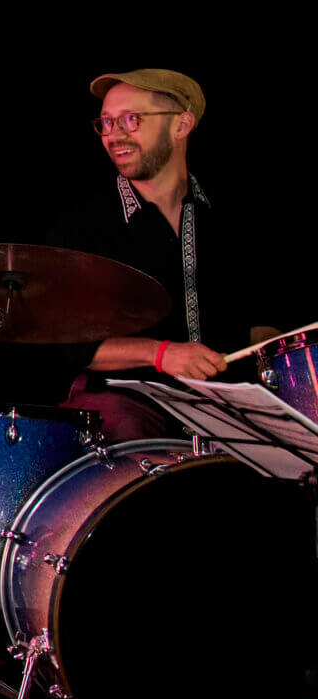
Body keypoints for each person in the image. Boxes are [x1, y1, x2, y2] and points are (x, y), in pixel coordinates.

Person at [42, 69, 274, 440]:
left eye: (130, 120)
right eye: (105, 122)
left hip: (227, 403)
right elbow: (71, 347)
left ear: (181, 125)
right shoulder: (82, 228)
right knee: (124, 427)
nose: (114, 134)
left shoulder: (236, 218)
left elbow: (263, 324)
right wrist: (161, 354)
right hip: (127, 398)